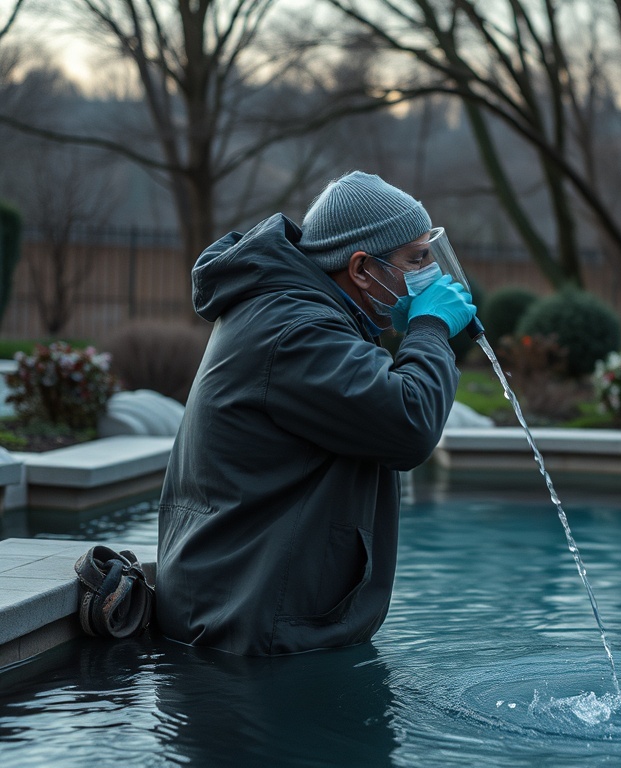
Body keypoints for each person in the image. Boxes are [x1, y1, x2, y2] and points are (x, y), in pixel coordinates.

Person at [155, 171, 477, 656]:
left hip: (260, 619)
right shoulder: (295, 331)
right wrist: (429, 326)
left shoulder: (306, 313)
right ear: (362, 268)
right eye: (416, 259)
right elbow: (409, 423)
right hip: (250, 635)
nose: (430, 273)